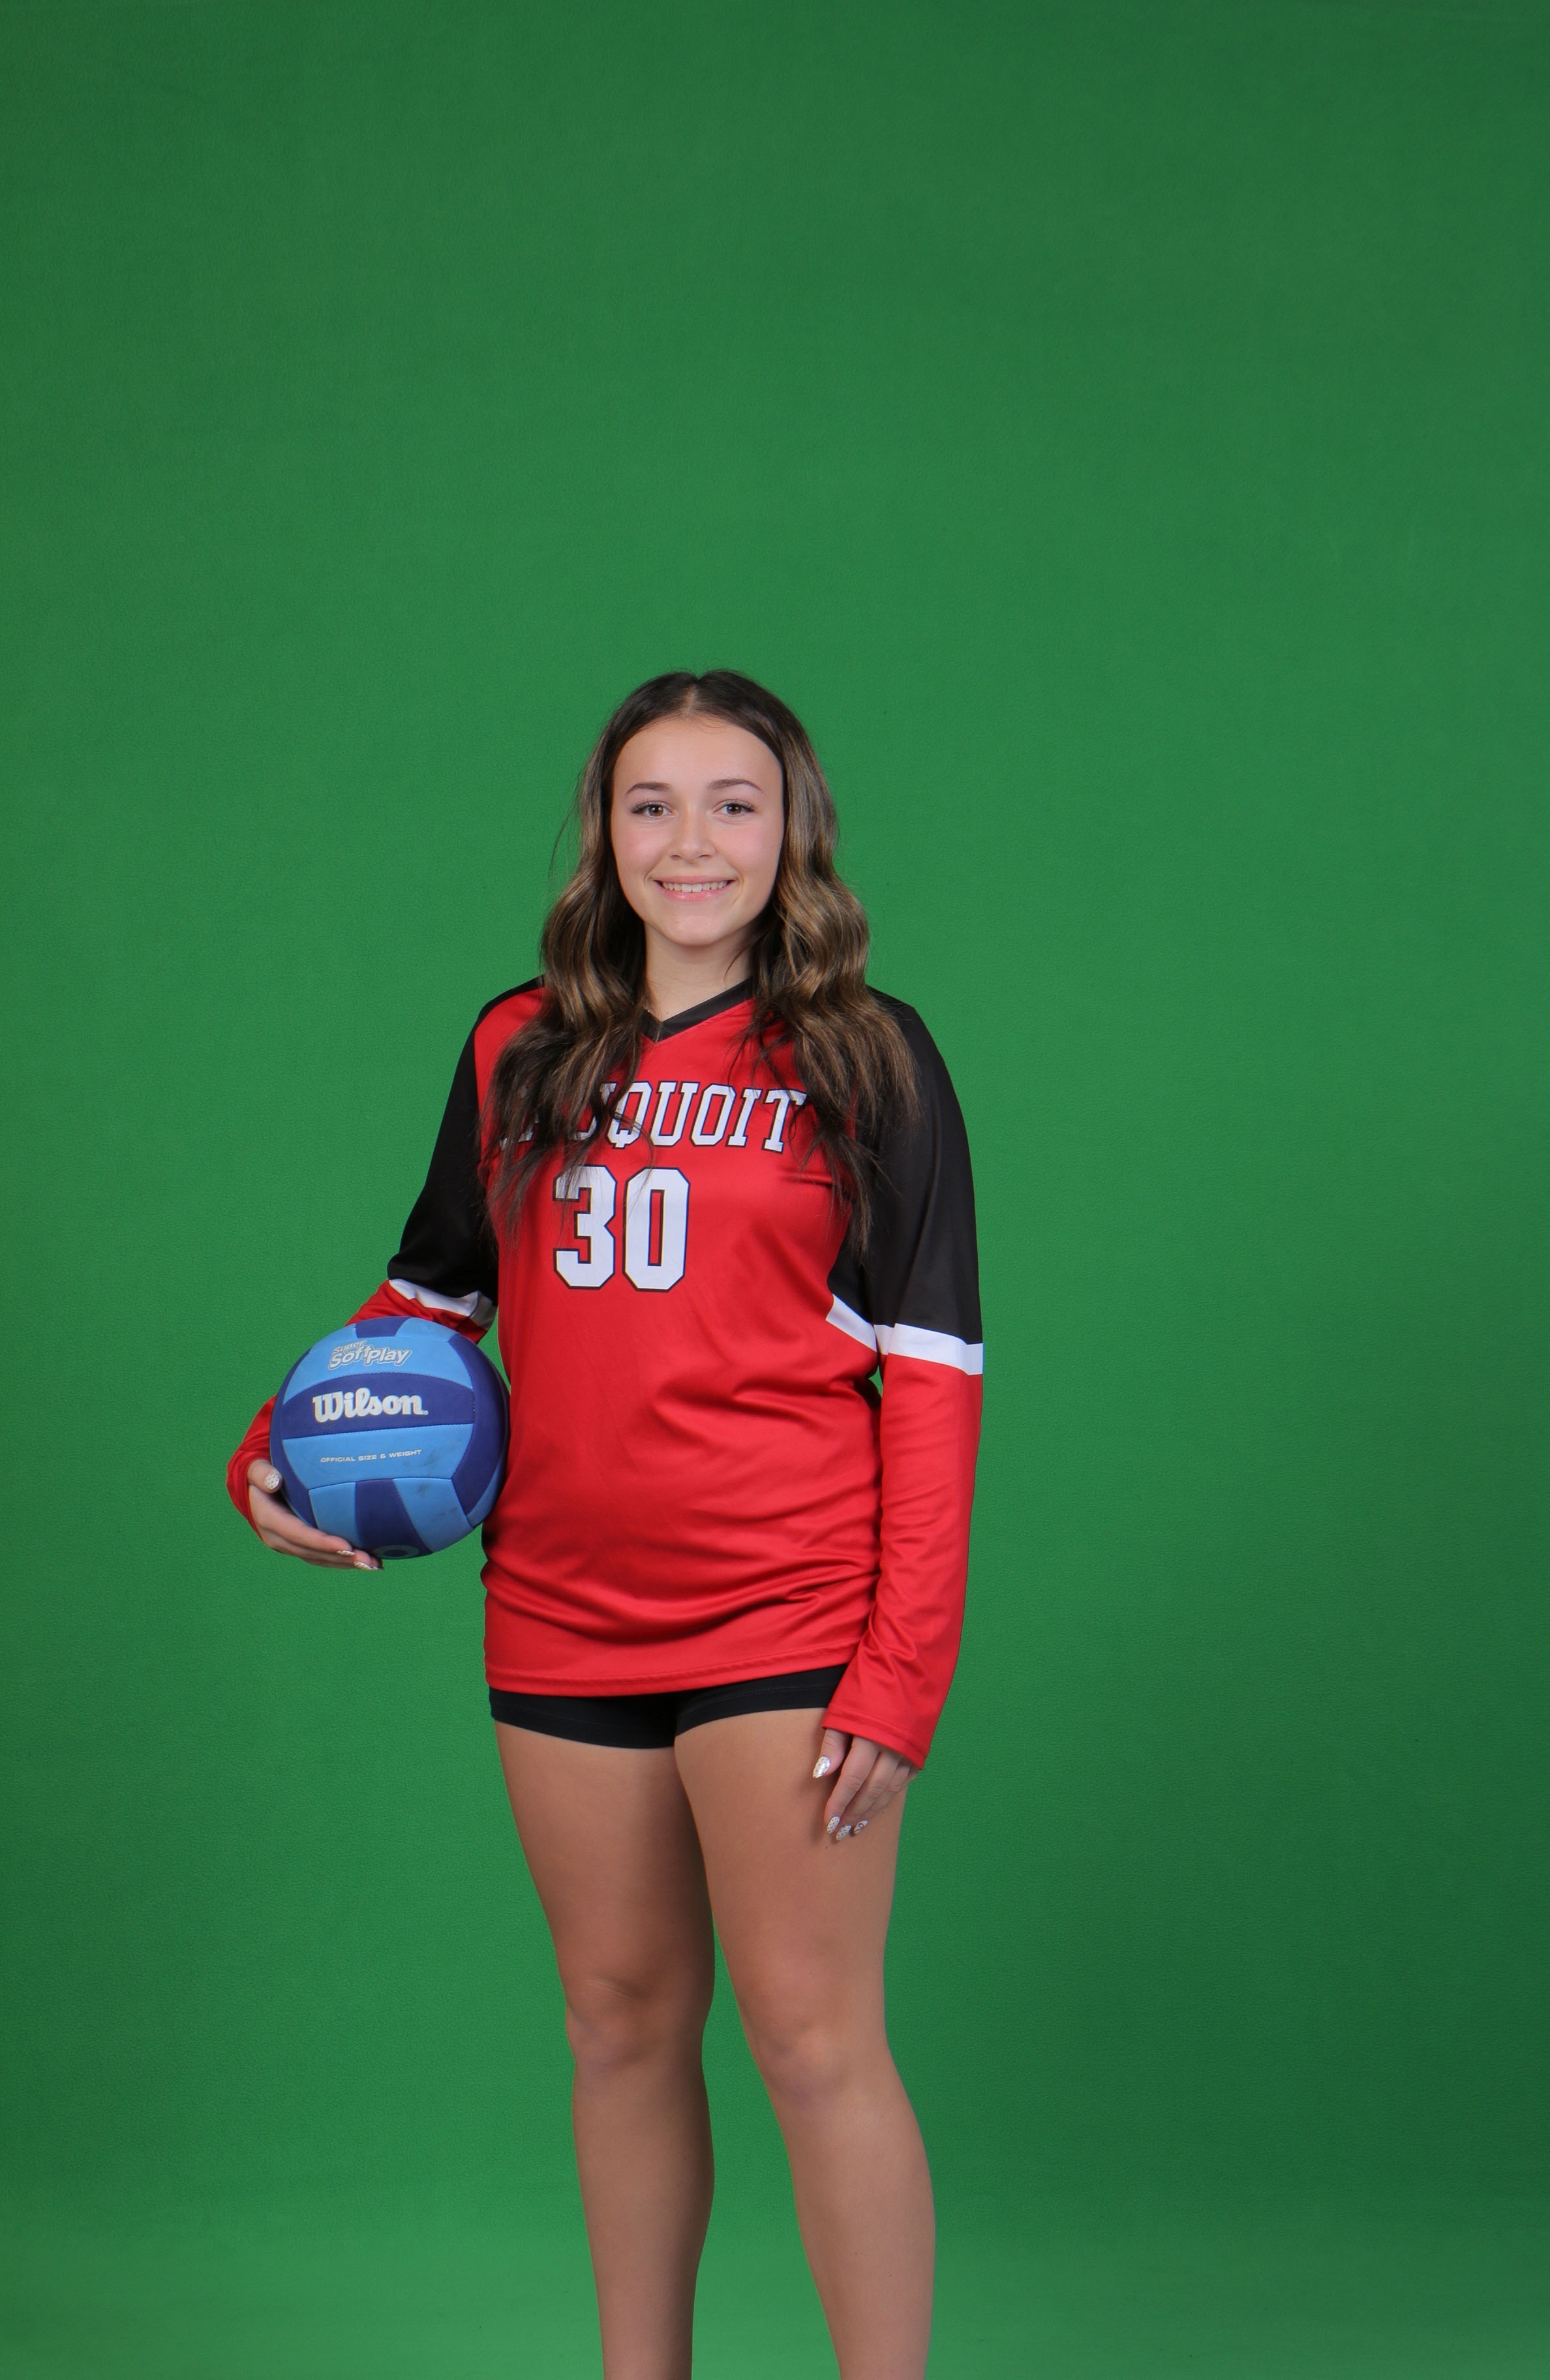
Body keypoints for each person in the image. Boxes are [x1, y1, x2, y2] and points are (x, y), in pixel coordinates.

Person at [226, 670, 982, 2380]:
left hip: (788, 1610)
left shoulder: (866, 1055)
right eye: (653, 805)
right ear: (605, 833)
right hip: (560, 1608)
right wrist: (276, 1447)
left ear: (793, 833)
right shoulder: (521, 1045)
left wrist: (904, 1666)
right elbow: (428, 1305)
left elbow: (936, 1378)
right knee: (618, 2025)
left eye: (734, 803)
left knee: (812, 2043)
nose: (690, 842)